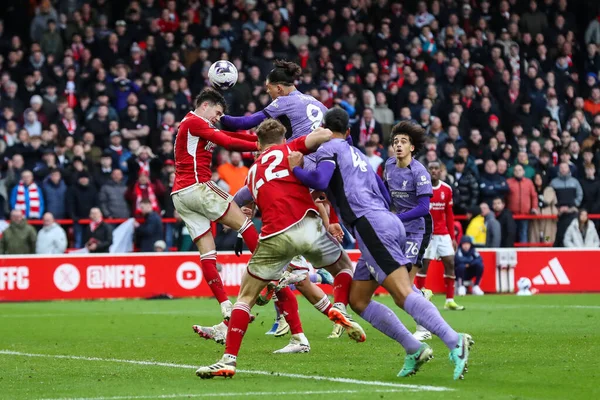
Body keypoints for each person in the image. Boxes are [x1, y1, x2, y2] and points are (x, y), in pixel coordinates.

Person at [289, 108, 472, 380]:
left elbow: (321, 180)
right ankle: (414, 348)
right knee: (358, 299)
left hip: (371, 226)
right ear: (350, 132)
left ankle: (454, 340)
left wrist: (295, 167)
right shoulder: (359, 155)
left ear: (325, 130)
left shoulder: (329, 149)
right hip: (382, 223)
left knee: (402, 292)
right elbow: (384, 193)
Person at [195, 119, 363, 378]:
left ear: (259, 145)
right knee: (343, 267)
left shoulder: (251, 172)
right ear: (283, 138)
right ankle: (337, 307)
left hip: (273, 235)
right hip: (306, 225)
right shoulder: (291, 149)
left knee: (246, 298)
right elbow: (324, 134)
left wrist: (237, 212)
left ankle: (228, 360)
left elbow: (238, 200)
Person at [171, 88, 260, 332]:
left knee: (207, 253)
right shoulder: (194, 121)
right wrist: (262, 144)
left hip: (180, 196)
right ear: (205, 105)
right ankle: (272, 270)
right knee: (245, 222)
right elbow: (228, 142)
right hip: (197, 186)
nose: (216, 118)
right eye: (217, 112)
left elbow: (229, 134)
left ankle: (224, 306)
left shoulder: (195, 125)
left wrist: (254, 140)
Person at [382, 121, 436, 340]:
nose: (398, 145)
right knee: (398, 283)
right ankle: (421, 297)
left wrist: (396, 218)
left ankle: (424, 328)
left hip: (418, 228)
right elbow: (387, 193)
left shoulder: (419, 172)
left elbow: (424, 208)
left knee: (405, 283)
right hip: (398, 226)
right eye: (396, 141)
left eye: (404, 141)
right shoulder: (388, 165)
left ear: (412, 147)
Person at [421, 160, 464, 311]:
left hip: (443, 234)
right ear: (427, 171)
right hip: (427, 234)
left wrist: (452, 237)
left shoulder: (447, 189)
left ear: (441, 171)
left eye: (436, 168)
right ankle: (420, 299)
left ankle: (450, 300)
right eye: (430, 168)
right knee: (423, 266)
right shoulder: (422, 189)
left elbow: (449, 214)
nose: (433, 170)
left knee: (450, 263)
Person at [506, 164, 538, 243]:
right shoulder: (508, 182)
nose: (518, 172)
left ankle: (523, 253)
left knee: (523, 233)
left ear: (523, 172)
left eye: (520, 170)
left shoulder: (528, 182)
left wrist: (534, 207)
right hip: (511, 214)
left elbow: (534, 196)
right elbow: (505, 197)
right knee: (511, 233)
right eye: (516, 170)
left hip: (525, 214)